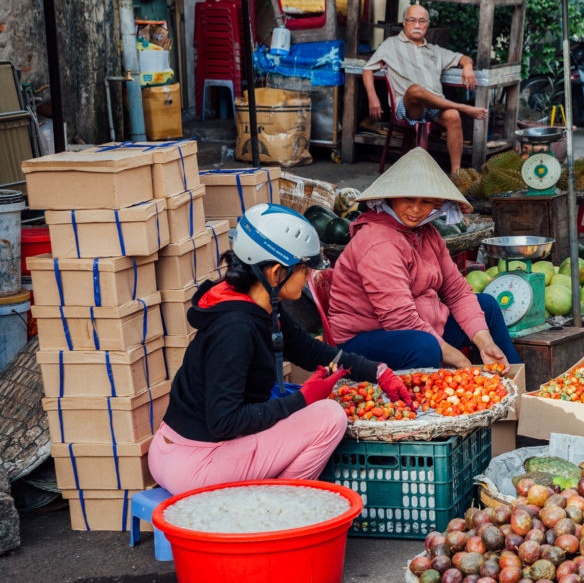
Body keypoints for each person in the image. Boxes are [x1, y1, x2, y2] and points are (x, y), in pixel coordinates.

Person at [149, 204, 411, 496]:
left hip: (182, 450)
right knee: (330, 416)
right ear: (277, 272)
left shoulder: (259, 306)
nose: (309, 277)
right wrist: (301, 400)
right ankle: (280, 508)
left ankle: (270, 501)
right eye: (304, 269)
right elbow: (224, 421)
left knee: (304, 403)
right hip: (195, 464)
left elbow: (310, 352)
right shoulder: (235, 329)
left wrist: (378, 371)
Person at [327, 148, 521, 372]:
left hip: (421, 324)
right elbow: (400, 321)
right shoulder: (378, 242)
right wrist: (457, 358)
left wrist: (485, 342)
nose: (416, 209)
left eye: (426, 201)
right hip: (365, 339)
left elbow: (457, 292)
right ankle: (423, 404)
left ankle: (514, 383)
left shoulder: (427, 233)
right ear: (391, 196)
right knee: (425, 346)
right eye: (408, 198)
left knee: (486, 306)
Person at [362, 4, 486, 173]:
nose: (417, 25)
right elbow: (368, 69)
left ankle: (456, 175)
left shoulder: (435, 51)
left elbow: (463, 58)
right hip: (408, 107)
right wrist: (372, 97)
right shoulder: (391, 44)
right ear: (404, 23)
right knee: (414, 90)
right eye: (412, 21)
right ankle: (464, 107)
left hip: (435, 107)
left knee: (453, 116)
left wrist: (468, 67)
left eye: (422, 21)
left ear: (427, 25)